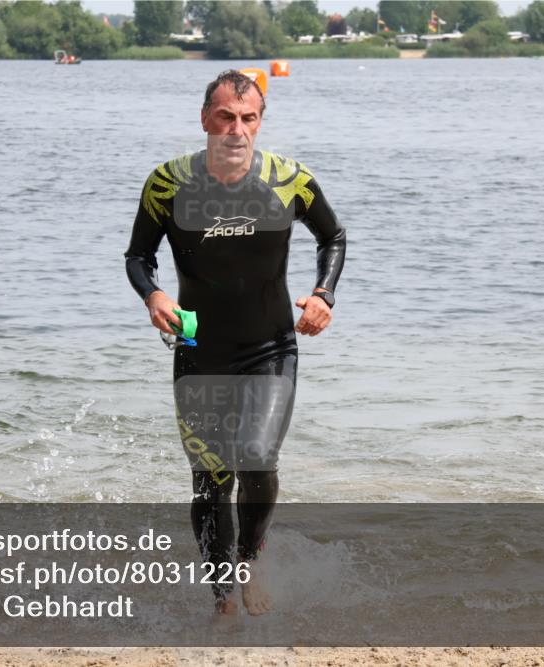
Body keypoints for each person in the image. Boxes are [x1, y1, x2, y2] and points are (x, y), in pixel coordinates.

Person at [124, 70, 346, 617]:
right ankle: (222, 601)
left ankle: (250, 560)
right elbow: (138, 256)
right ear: (205, 119)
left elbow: (333, 236)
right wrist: (153, 295)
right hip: (199, 350)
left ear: (260, 122)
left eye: (248, 118)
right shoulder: (167, 185)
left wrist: (323, 295)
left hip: (271, 347)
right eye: (225, 117)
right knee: (211, 480)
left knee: (258, 459)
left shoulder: (289, 180)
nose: (236, 130)